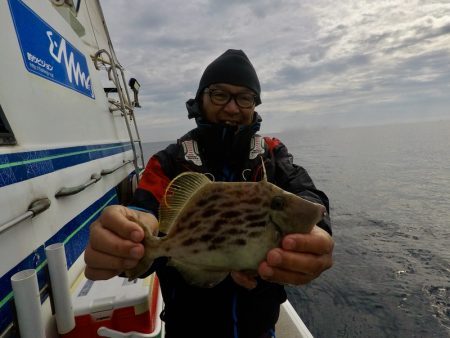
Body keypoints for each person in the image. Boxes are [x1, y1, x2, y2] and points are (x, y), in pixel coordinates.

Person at [85, 49, 334, 338]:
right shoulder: (169, 160)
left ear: (255, 105)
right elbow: (145, 209)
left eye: (245, 97)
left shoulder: (272, 154)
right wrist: (128, 236)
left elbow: (306, 193)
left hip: (260, 329)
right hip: (189, 328)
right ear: (200, 99)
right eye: (219, 95)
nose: (232, 108)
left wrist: (319, 230)